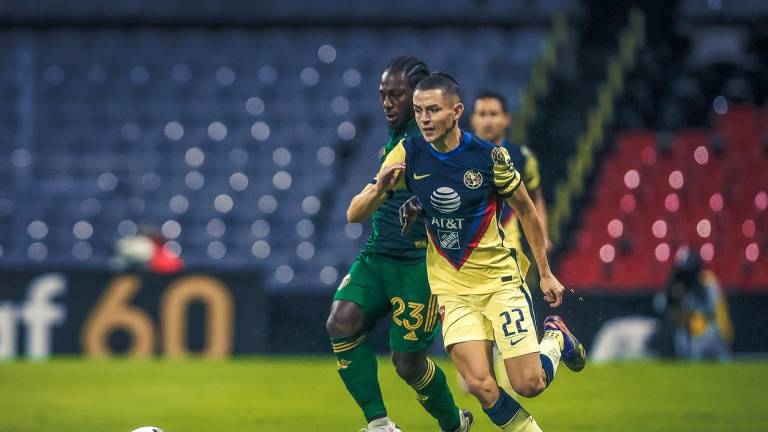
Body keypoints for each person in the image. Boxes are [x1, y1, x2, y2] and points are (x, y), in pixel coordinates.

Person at [374, 72, 586, 431]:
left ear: (456, 111)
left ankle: (555, 337)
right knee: (480, 385)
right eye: (419, 111)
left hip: (499, 281)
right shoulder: (408, 151)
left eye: (433, 110)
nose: (424, 119)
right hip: (452, 290)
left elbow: (527, 209)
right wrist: (386, 195)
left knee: (528, 384)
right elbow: (371, 200)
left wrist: (546, 271)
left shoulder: (490, 157)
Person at [326, 57, 472, 432]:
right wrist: (379, 188)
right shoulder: (396, 139)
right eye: (383, 95)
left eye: (396, 95)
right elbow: (355, 212)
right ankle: (379, 424)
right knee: (341, 322)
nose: (387, 103)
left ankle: (454, 423)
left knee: (407, 363)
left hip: (419, 264)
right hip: (378, 254)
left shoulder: (436, 140)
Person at [470, 91, 550, 394]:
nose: (488, 120)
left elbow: (534, 199)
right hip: (469, 258)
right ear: (472, 118)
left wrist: (543, 236)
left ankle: (512, 367)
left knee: (504, 325)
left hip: (509, 254)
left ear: (506, 119)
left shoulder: (521, 157)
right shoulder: (459, 156)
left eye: (494, 114)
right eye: (482, 114)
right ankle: (487, 376)